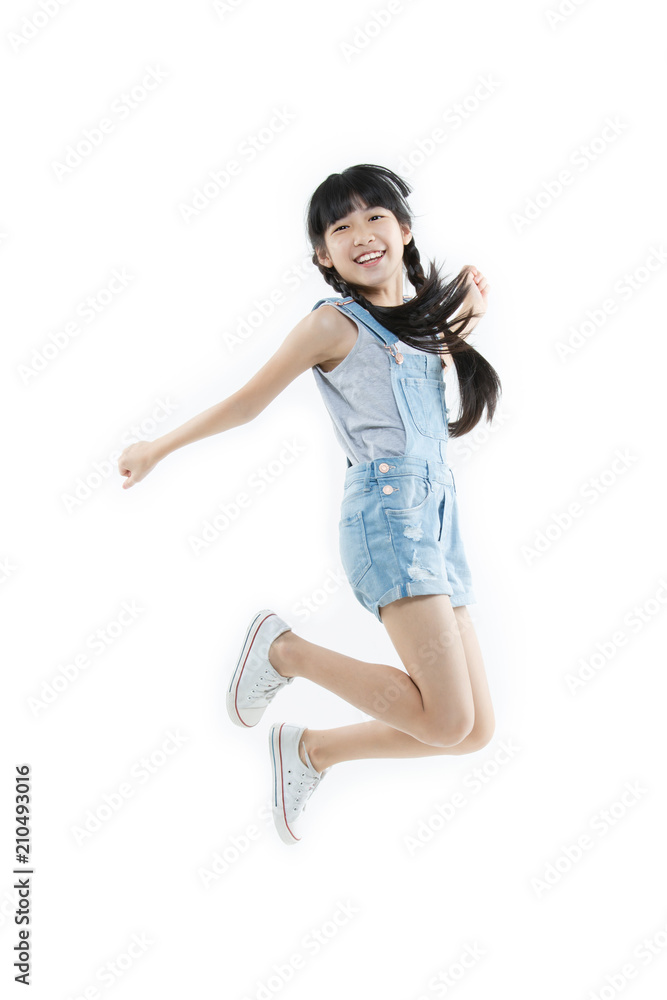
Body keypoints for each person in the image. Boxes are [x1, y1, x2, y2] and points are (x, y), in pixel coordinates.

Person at [118, 163, 501, 846]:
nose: (361, 234)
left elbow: (434, 352)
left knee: (472, 732)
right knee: (444, 721)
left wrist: (469, 308)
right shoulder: (332, 324)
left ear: (404, 230)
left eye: (374, 217)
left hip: (437, 523)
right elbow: (245, 401)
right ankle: (284, 651)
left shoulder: (417, 329)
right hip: (388, 517)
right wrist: (158, 446)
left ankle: (311, 751)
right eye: (339, 227)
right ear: (323, 255)